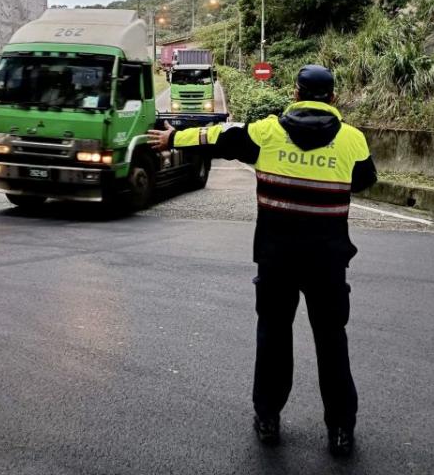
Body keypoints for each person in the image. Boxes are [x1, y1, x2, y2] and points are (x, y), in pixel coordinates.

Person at [148, 65, 376, 459]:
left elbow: (218, 137)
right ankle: (340, 429)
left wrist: (173, 137)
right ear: (333, 98)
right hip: (328, 263)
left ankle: (268, 418)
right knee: (331, 341)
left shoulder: (266, 133)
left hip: (277, 259)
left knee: (273, 336)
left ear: (295, 93)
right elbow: (364, 180)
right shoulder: (352, 140)